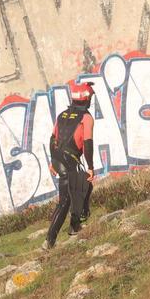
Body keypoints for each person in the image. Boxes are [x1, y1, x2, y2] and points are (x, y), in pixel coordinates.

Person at [44, 81, 96, 249]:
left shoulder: (62, 115)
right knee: (65, 201)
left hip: (59, 158)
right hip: (69, 160)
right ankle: (49, 241)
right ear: (87, 99)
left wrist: (53, 162)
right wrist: (90, 167)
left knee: (85, 187)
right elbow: (87, 143)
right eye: (91, 98)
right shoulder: (86, 118)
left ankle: (75, 226)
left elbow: (52, 139)